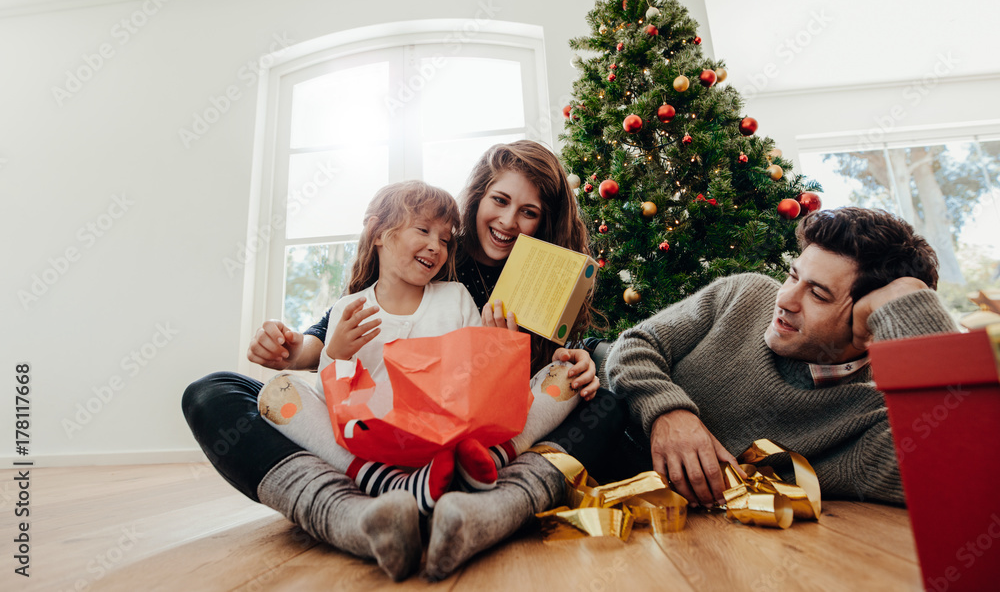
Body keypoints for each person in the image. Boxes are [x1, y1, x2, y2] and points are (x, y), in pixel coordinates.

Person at [182, 141, 627, 581]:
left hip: (482, 435)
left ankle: (490, 509)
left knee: (605, 405)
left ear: (544, 223)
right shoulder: (430, 260)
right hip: (373, 432)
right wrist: (290, 347)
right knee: (211, 394)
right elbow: (331, 342)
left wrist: (582, 361)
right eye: (500, 200)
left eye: (528, 213)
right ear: (477, 198)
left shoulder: (538, 279)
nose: (508, 221)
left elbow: (563, 363)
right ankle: (351, 514)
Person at [257, 180, 595, 517]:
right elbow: (337, 403)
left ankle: (491, 457)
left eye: (445, 240)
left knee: (567, 376)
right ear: (378, 233)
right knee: (278, 394)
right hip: (377, 440)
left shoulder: (456, 296)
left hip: (454, 434)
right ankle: (388, 479)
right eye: (423, 230)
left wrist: (497, 346)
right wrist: (338, 355)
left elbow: (485, 388)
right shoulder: (351, 307)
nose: (436, 246)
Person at [601, 207, 958, 509]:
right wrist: (667, 412)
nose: (785, 300)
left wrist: (907, 298)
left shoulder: (865, 420)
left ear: (866, 325)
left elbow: (960, 465)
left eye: (817, 294)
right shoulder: (743, 293)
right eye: (792, 276)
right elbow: (635, 345)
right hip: (576, 445)